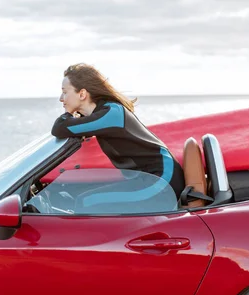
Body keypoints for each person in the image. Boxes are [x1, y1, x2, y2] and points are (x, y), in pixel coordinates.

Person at [50, 63, 184, 211]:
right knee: (81, 197)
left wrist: (68, 114)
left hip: (162, 181)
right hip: (149, 179)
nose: (61, 98)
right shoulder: (104, 113)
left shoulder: (111, 115)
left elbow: (60, 128)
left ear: (82, 94)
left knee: (87, 201)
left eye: (65, 92)